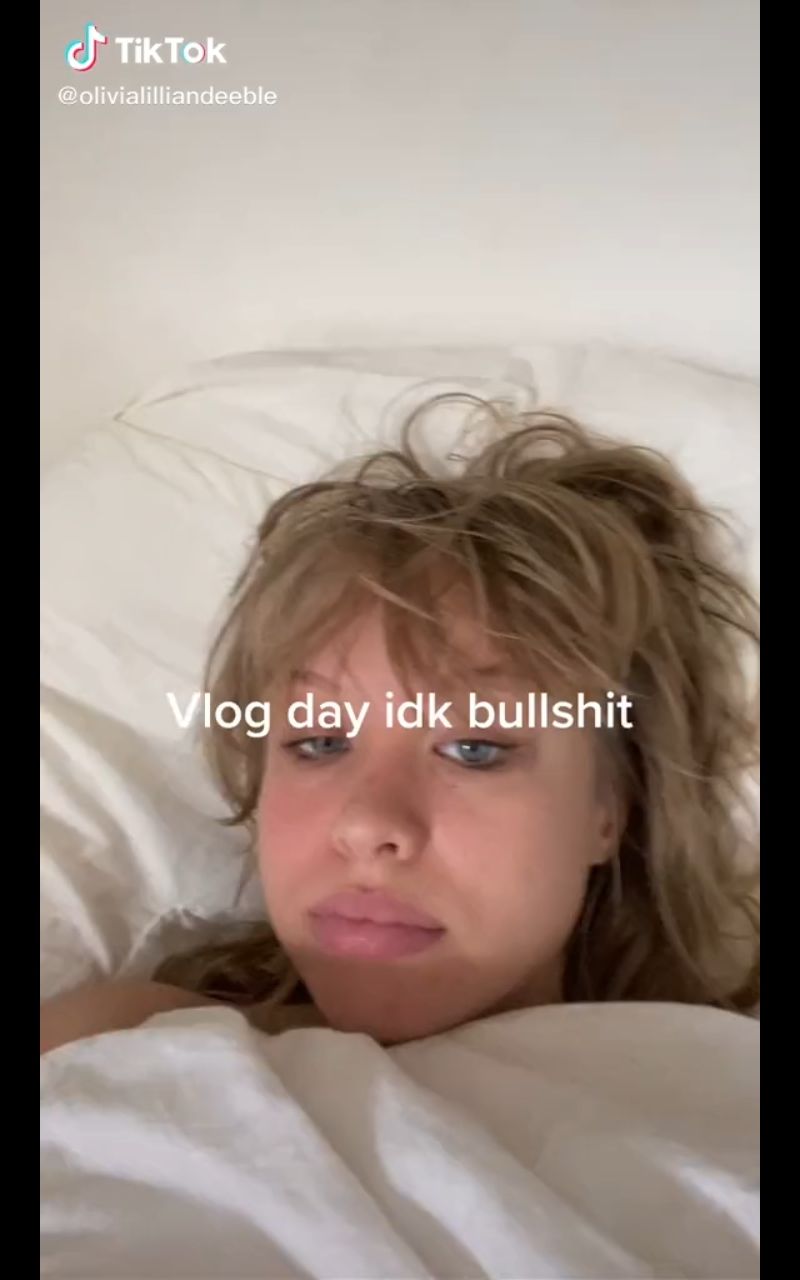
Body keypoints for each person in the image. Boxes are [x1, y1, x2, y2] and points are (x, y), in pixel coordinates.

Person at [40, 394, 760, 1054]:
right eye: (319, 742)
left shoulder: (715, 1095)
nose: (367, 824)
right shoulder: (121, 1046)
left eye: (473, 748)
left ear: (611, 806)